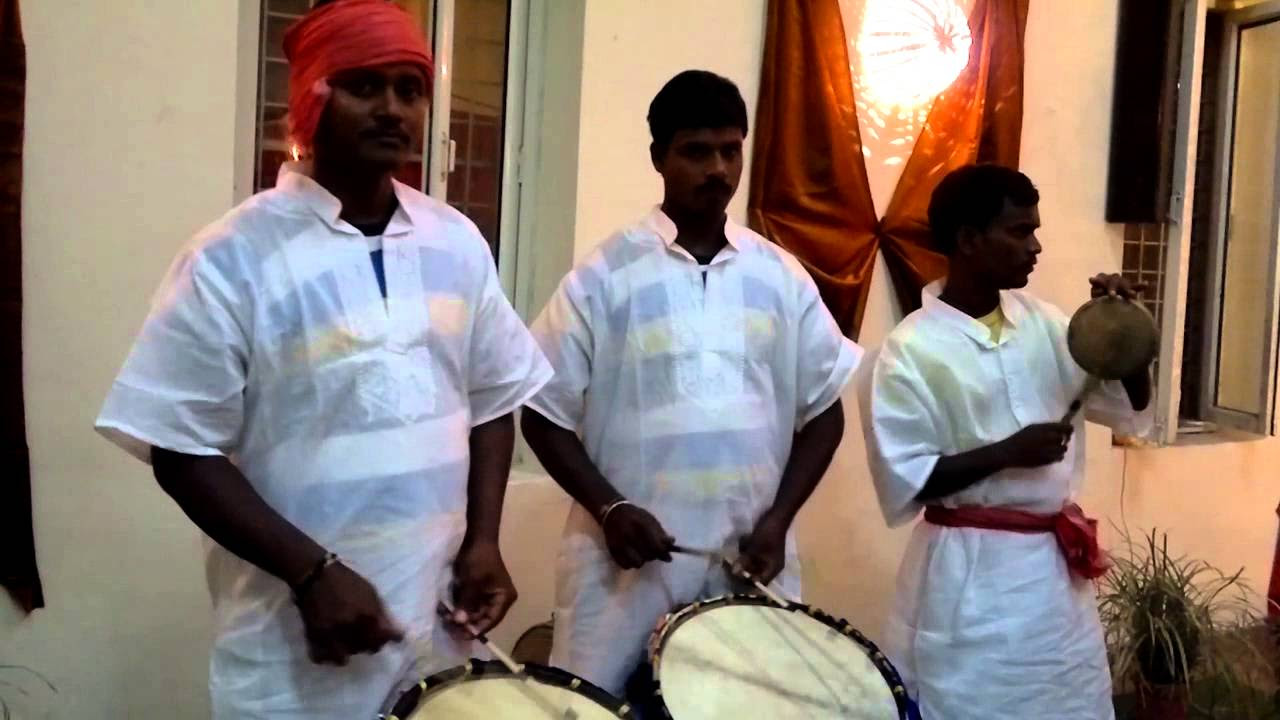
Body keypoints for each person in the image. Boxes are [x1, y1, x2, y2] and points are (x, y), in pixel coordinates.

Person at [94, 2, 551, 717]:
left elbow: (495, 397)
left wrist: (485, 540)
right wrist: (312, 573)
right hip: (293, 659)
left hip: (437, 641)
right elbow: (181, 449)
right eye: (365, 85)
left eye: (410, 88)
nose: (393, 108)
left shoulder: (455, 242)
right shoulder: (232, 257)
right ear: (311, 98)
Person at [520, 70, 862, 701]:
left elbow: (825, 412)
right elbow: (542, 413)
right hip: (622, 571)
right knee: (599, 708)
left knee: (749, 709)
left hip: (748, 563)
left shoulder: (779, 276)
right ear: (659, 158)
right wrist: (611, 509)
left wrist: (778, 522)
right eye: (696, 152)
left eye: (731, 150)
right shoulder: (603, 276)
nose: (718, 169)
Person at [858, 164, 1152, 719]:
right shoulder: (907, 352)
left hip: (1052, 580)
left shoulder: (1047, 324)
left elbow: (1128, 412)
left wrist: (1123, 328)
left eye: (1034, 230)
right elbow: (907, 478)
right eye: (1020, 232)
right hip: (968, 580)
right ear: (968, 241)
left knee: (1065, 702)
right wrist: (1005, 452)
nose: (1035, 246)